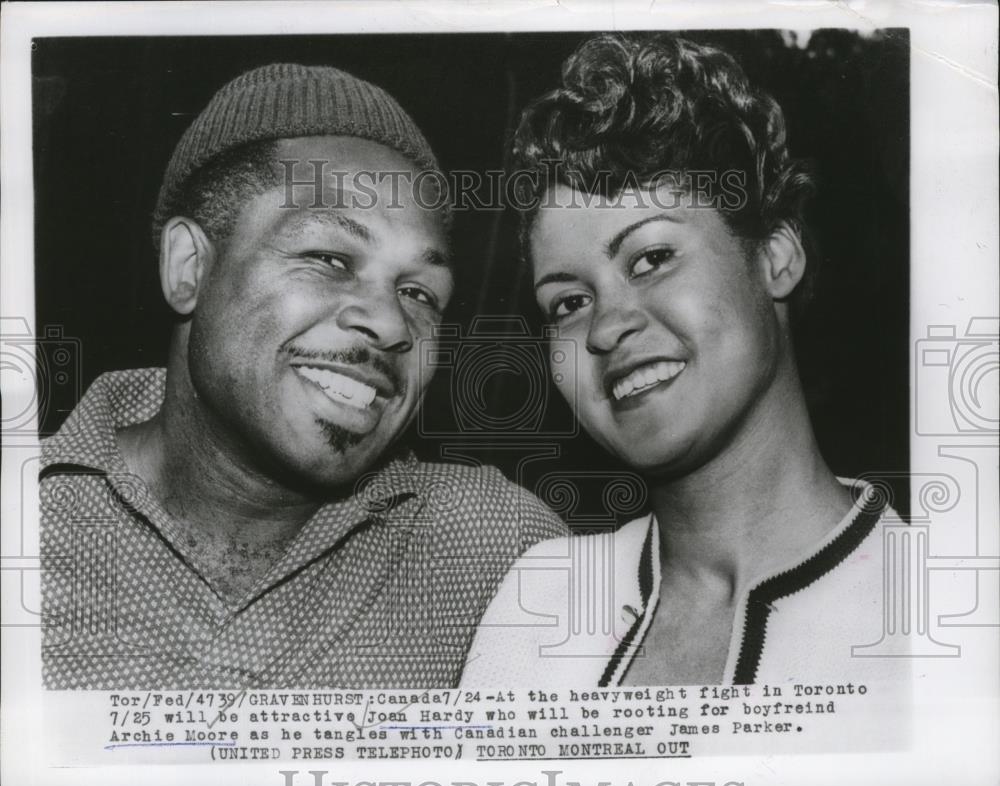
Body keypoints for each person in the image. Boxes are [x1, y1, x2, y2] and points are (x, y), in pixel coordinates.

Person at [39, 63, 568, 689]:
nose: (391, 323)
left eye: (421, 292)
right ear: (189, 268)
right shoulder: (29, 522)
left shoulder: (493, 544)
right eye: (329, 258)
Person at [462, 34, 904, 687]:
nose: (607, 327)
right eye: (567, 302)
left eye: (651, 258)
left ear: (775, 256)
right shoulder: (536, 603)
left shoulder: (940, 612)